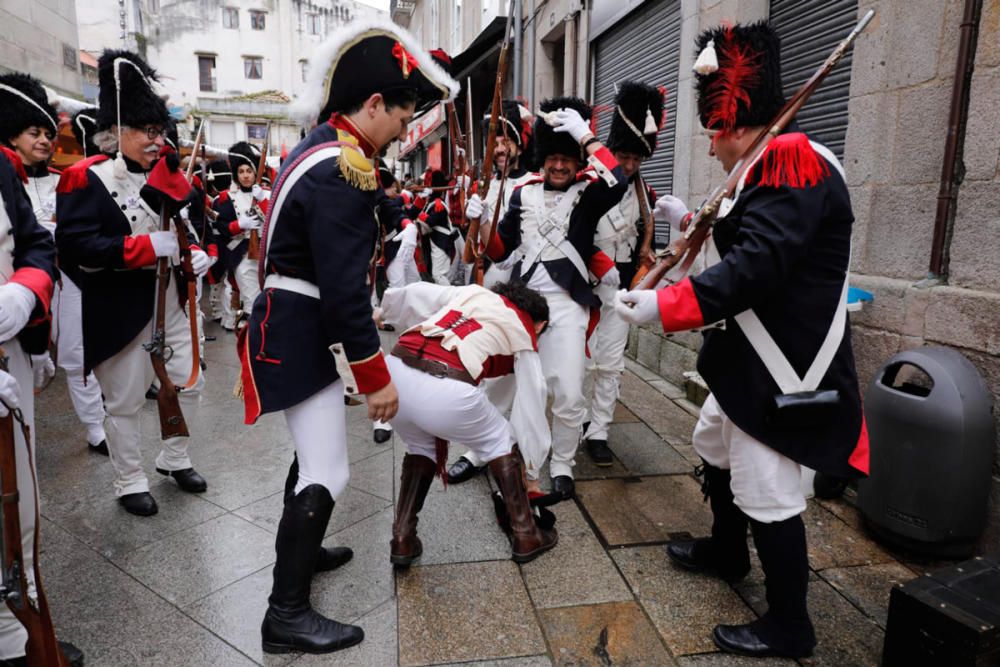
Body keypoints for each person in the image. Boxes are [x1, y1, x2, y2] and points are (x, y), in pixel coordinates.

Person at [616, 22, 869, 659]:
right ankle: (729, 553)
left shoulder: (795, 162)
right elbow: (743, 235)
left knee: (768, 489)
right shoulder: (763, 168)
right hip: (747, 357)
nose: (707, 140)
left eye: (712, 125)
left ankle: (791, 625)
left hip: (786, 366)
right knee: (715, 447)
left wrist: (663, 305)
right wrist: (688, 220)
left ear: (732, 115)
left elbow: (756, 266)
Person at [237, 19, 457, 655]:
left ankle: (301, 563)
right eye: (401, 115)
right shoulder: (340, 167)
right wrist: (375, 375)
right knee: (329, 471)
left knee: (313, 453)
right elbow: (340, 287)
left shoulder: (321, 151)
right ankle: (286, 613)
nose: (403, 129)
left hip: (291, 322)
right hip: (302, 325)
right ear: (372, 104)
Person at [55, 49, 213, 517]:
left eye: (159, 130)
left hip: (171, 298)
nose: (156, 139)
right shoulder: (83, 178)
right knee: (123, 401)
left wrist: (190, 254)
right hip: (119, 304)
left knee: (188, 380)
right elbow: (77, 247)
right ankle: (129, 479)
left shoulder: (165, 174)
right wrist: (144, 250)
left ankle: (174, 458)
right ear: (117, 129)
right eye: (148, 130)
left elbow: (183, 226)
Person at [448, 97, 625, 497]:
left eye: (567, 158)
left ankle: (562, 463)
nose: (559, 165)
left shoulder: (590, 193)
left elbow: (619, 180)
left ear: (577, 161)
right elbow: (498, 250)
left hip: (566, 303)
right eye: (553, 158)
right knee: (497, 385)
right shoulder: (522, 193)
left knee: (567, 389)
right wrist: (477, 221)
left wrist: (587, 136)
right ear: (541, 158)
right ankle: (480, 452)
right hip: (521, 302)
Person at [378, 280, 557, 565]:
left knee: (421, 446)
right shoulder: (523, 329)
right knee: (502, 441)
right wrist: (533, 470)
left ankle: (402, 538)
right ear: (539, 324)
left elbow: (419, 292)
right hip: (446, 386)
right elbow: (532, 401)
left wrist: (384, 310)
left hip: (393, 373)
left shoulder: (473, 292)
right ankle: (526, 534)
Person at [0, 132, 85, 667]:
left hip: (6, 346)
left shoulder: (1, 169)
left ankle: (13, 632)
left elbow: (33, 242)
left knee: (20, 501)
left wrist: (25, 291)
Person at [0, 73, 110, 455]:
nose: (45, 140)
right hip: (15, 286)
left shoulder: (68, 180)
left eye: (49, 133)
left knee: (79, 355)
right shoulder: (6, 183)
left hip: (67, 279)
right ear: (13, 135)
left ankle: (96, 427)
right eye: (35, 133)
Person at [582, 81, 664, 466]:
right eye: (624, 157)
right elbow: (575, 233)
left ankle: (599, 430)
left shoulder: (645, 191)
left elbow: (649, 240)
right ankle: (579, 419)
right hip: (583, 290)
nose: (629, 166)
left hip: (622, 292)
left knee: (611, 364)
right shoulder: (588, 185)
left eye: (635, 158)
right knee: (581, 361)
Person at [213, 141, 268, 324]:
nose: (245, 176)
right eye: (241, 171)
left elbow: (280, 219)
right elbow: (221, 228)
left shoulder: (266, 193)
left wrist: (263, 201)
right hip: (241, 254)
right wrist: (239, 225)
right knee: (252, 302)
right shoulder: (227, 197)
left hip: (267, 254)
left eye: (249, 171)